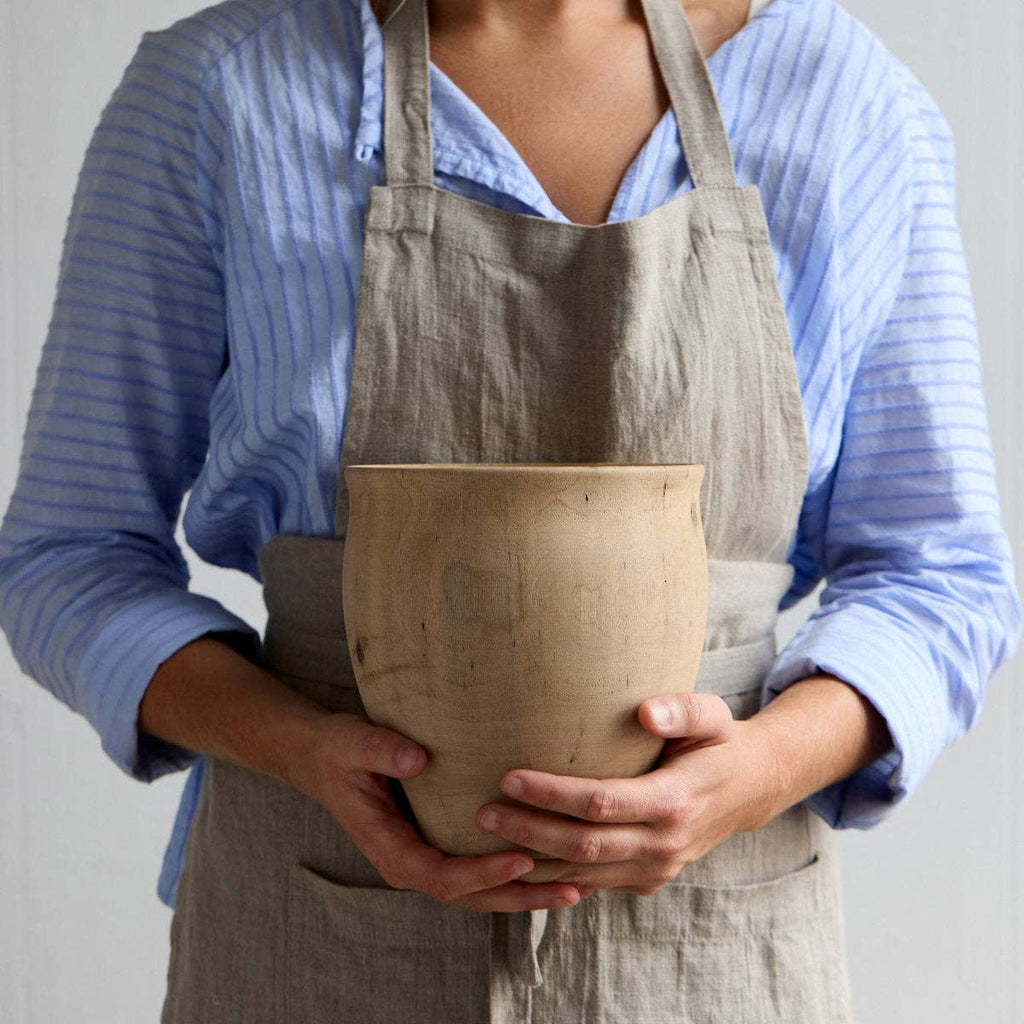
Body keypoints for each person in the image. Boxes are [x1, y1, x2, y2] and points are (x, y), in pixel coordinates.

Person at [0, 0, 1018, 1020]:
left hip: (710, 942)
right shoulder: (219, 92)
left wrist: (757, 771)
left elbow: (941, 575)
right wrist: (296, 745)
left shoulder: (841, 98)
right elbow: (70, 555)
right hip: (316, 923)